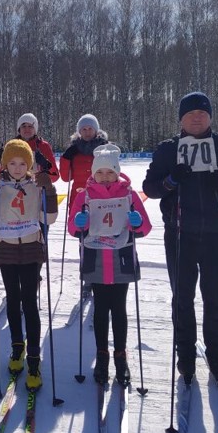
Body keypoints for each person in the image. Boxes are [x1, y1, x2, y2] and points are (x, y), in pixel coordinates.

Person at [143, 92, 218, 386]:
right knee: (182, 299)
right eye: (190, 113)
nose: (196, 117)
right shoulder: (169, 149)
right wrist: (171, 181)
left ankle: (217, 356)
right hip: (180, 233)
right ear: (180, 118)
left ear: (210, 117)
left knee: (215, 299)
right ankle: (186, 356)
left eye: (202, 113)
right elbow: (150, 188)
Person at [68, 144, 152, 386]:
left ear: (117, 172)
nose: (105, 177)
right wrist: (78, 222)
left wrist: (136, 223)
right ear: (93, 173)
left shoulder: (129, 195)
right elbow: (73, 229)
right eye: (100, 173)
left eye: (110, 172)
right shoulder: (85, 195)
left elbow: (144, 228)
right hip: (96, 259)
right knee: (100, 309)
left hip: (121, 258)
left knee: (119, 309)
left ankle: (120, 355)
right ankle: (102, 353)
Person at [0, 139, 57, 391]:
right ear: (4, 164)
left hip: (32, 247)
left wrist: (49, 190)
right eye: (12, 163)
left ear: (30, 164)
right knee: (13, 299)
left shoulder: (36, 186)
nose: (18, 167)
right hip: (7, 248)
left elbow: (50, 218)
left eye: (23, 163)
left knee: (30, 302)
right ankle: (17, 348)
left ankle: (34, 356)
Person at [59, 114, 110, 204]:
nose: (87, 132)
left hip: (100, 197)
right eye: (84, 129)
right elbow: (65, 178)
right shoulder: (74, 151)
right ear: (80, 131)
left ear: (96, 130)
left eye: (90, 129)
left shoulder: (104, 148)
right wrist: (66, 158)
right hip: (78, 198)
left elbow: (113, 175)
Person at [0, 113, 60, 182]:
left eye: (30, 126)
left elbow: (55, 176)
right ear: (19, 129)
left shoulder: (44, 146)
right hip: (13, 189)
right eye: (24, 126)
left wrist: (46, 165)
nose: (27, 129)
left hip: (37, 189)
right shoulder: (11, 146)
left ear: (35, 130)